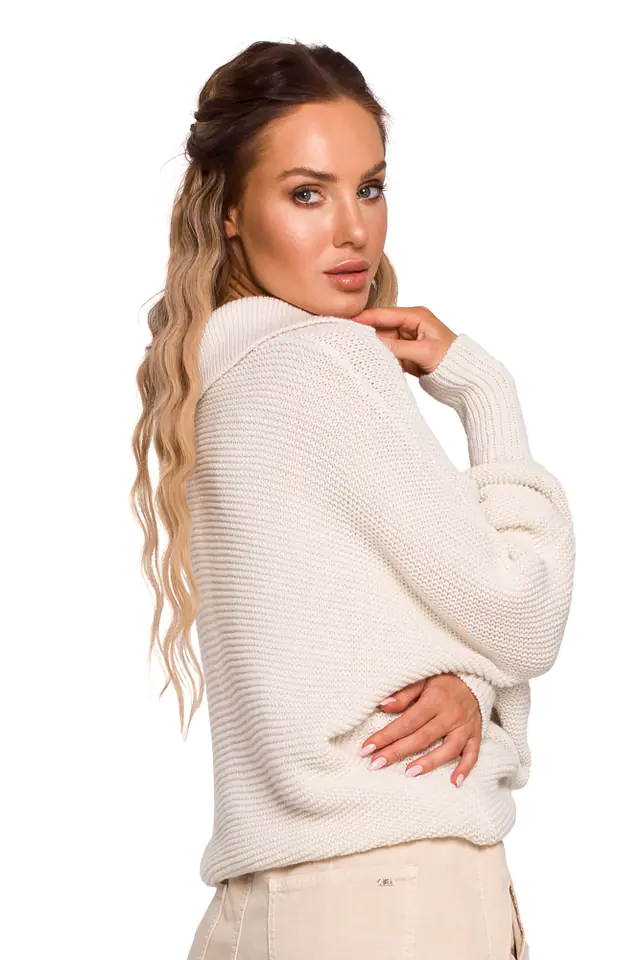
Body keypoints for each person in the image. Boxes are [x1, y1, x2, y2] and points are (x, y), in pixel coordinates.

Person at [130, 39, 575, 959]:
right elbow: (523, 612)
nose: (354, 232)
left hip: (263, 905)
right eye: (306, 194)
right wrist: (485, 391)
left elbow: (349, 635)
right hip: (396, 889)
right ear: (230, 212)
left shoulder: (213, 383)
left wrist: (473, 682)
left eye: (369, 188)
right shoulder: (323, 363)